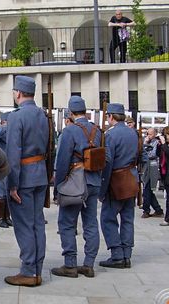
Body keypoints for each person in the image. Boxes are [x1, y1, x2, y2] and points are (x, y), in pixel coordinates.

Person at [4, 75, 49, 286]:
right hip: (40, 174)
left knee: (24, 225)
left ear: (19, 93)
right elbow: (51, 147)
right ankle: (37, 269)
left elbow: (13, 153)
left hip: (23, 176)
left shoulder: (16, 117)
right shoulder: (42, 115)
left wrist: (12, 184)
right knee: (37, 223)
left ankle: (29, 270)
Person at [51, 96, 101, 279]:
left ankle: (70, 264)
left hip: (74, 182)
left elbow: (62, 161)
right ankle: (89, 264)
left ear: (71, 113)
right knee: (91, 223)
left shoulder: (69, 131)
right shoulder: (98, 130)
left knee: (66, 223)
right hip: (94, 181)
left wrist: (57, 187)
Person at [98, 103, 139, 269]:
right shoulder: (132, 133)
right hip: (131, 178)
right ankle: (127, 254)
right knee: (128, 218)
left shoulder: (110, 135)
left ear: (111, 116)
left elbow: (108, 163)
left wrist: (102, 188)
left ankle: (117, 255)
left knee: (107, 218)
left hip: (116, 180)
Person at [0, 112, 13, 228]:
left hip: (9, 165)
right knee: (1, 193)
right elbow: (0, 133)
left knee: (7, 193)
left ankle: (7, 217)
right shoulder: (2, 130)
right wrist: (5, 126)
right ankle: (1, 218)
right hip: (0, 166)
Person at [141, 128, 164, 218]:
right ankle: (158, 210)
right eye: (147, 134)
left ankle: (146, 210)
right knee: (148, 190)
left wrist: (146, 146)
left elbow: (152, 154)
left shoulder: (156, 143)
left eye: (150, 134)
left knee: (148, 189)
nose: (148, 136)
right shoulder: (146, 141)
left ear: (155, 134)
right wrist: (145, 144)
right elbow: (142, 153)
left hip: (153, 166)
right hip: (146, 167)